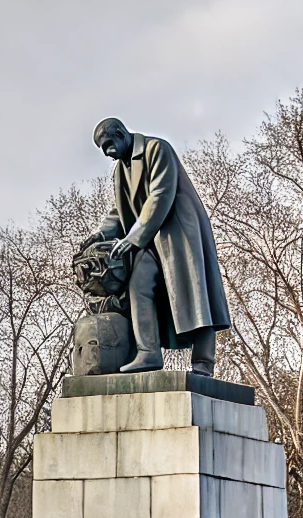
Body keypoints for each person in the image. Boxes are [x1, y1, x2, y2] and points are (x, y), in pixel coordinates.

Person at [81, 118, 230, 375]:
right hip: (149, 239)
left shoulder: (156, 149)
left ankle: (203, 362)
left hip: (180, 235)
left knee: (196, 295)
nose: (107, 152)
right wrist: (101, 234)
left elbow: (160, 195)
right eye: (102, 149)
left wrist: (132, 238)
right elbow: (119, 209)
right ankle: (148, 353)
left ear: (120, 133)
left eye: (108, 145)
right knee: (138, 285)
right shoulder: (120, 170)